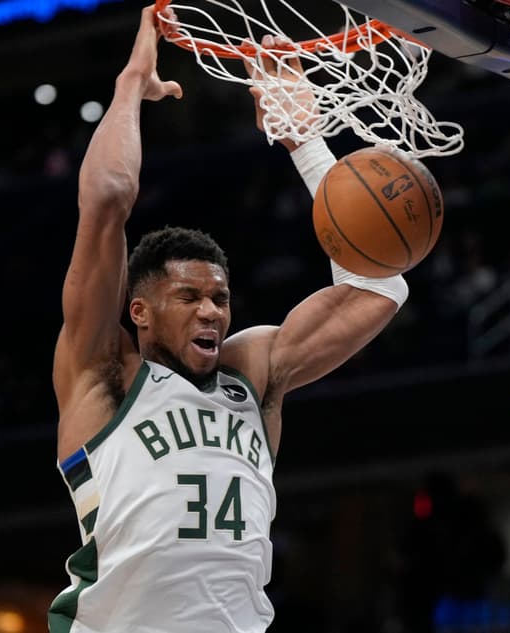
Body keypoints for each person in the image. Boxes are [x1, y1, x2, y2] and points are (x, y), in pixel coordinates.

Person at [48, 6, 410, 632]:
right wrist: (131, 84)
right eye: (189, 298)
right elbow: (106, 199)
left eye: (220, 298)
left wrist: (303, 138)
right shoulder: (104, 379)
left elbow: (379, 286)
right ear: (140, 311)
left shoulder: (254, 373)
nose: (212, 310)